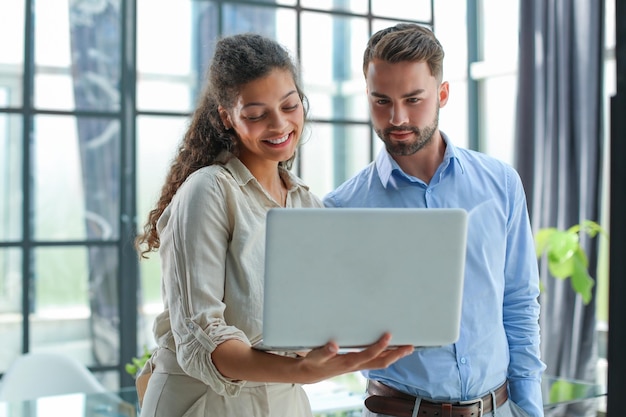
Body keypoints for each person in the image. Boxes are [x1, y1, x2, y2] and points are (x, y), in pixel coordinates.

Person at [134, 33, 414, 417]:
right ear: (226, 117)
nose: (279, 124)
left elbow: (311, 321)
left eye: (289, 105)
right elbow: (202, 341)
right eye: (255, 114)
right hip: (205, 403)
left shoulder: (307, 205)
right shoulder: (209, 190)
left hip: (283, 400)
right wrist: (301, 368)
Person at [323, 24, 546, 417]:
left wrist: (529, 410)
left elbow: (519, 304)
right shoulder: (342, 208)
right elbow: (334, 332)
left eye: (413, 99)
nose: (397, 117)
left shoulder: (501, 184)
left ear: (442, 94)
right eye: (381, 101)